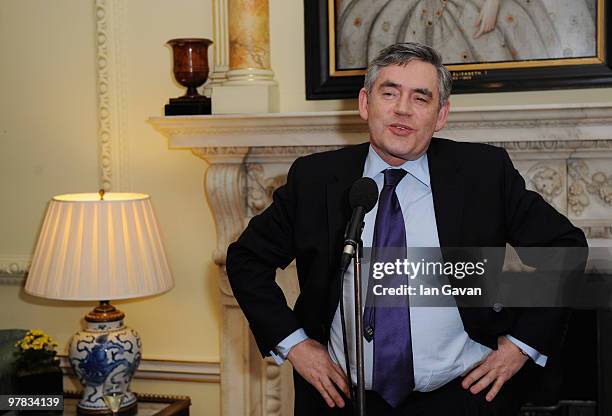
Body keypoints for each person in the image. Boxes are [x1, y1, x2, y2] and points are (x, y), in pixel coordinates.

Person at [226, 42, 587, 415]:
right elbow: (246, 259)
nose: (402, 108)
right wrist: (295, 344)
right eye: (390, 92)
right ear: (365, 103)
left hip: (463, 397)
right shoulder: (315, 179)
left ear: (441, 114)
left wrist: (521, 344)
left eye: (420, 97)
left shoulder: (483, 173)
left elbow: (564, 248)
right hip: (343, 399)